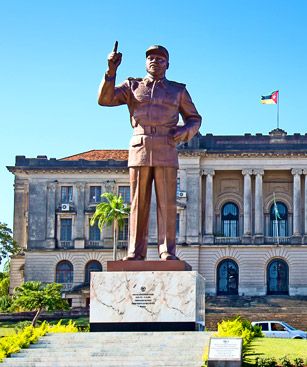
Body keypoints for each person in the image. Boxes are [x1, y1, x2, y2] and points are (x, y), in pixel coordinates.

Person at [98, 42, 202, 260]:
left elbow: (194, 119)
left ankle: (166, 250)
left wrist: (183, 133)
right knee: (138, 203)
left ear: (168, 65)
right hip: (140, 146)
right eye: (151, 58)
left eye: (160, 59)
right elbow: (105, 100)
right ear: (146, 63)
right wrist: (111, 71)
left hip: (166, 145)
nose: (155, 61)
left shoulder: (178, 90)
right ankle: (135, 252)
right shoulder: (132, 86)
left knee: (167, 204)